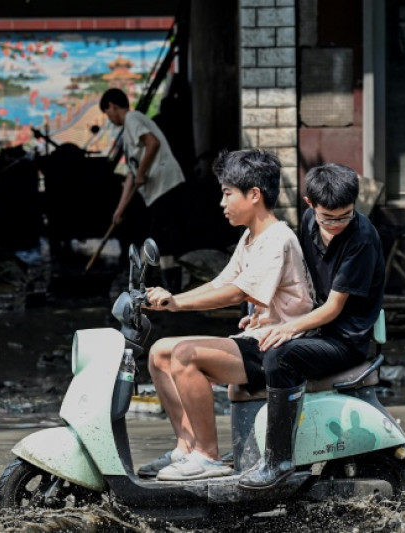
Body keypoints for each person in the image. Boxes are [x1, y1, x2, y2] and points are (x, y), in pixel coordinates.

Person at [138, 149, 314, 481]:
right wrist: (171, 298)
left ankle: (207, 455)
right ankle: (186, 447)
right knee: (160, 351)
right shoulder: (250, 237)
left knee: (185, 356)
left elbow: (238, 292)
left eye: (227, 193)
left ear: (254, 195)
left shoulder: (278, 237)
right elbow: (222, 281)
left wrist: (177, 304)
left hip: (279, 348)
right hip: (258, 339)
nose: (222, 202)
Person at [237, 163, 386, 490]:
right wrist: (265, 311)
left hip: (345, 340)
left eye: (344, 215)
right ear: (309, 204)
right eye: (327, 217)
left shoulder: (360, 237)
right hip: (314, 328)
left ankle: (278, 462)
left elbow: (333, 308)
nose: (336, 224)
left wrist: (289, 329)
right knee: (246, 351)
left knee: (280, 358)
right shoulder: (307, 223)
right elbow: (293, 277)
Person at [100, 88, 187, 289]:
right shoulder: (128, 135)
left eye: (107, 113)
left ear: (113, 106)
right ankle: (168, 288)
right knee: (162, 240)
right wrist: (119, 211)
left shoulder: (132, 118)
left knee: (156, 238)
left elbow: (152, 143)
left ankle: (146, 286)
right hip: (157, 192)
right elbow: (131, 175)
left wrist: (142, 171)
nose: (109, 118)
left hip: (167, 185)